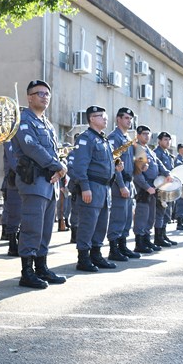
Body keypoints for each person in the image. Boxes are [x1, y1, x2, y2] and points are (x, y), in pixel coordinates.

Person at [12, 80, 68, 288]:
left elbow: (56, 151)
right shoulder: (23, 120)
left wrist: (62, 168)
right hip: (34, 180)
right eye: (40, 93)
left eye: (47, 94)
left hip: (49, 182)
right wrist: (58, 166)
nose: (45, 97)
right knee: (32, 227)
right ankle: (27, 272)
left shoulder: (47, 123)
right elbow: (32, 148)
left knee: (45, 229)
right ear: (29, 97)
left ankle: (41, 267)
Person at [68, 106, 119, 272]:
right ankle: (83, 258)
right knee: (88, 223)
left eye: (105, 115)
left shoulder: (103, 140)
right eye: (101, 116)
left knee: (101, 224)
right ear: (91, 119)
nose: (105, 118)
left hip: (104, 188)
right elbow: (79, 165)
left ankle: (96, 255)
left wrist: (115, 167)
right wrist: (84, 187)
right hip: (92, 186)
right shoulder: (86, 138)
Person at [106, 107, 140, 261]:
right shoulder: (115, 137)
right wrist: (121, 185)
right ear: (118, 119)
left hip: (128, 181)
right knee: (118, 216)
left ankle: (123, 246)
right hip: (119, 182)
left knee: (126, 217)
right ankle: (114, 249)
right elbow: (115, 162)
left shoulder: (126, 138)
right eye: (126, 118)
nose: (129, 121)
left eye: (130, 118)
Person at [132, 126, 170, 252]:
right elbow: (137, 173)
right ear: (138, 135)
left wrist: (167, 174)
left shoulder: (149, 150)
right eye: (144, 134)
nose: (147, 136)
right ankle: (139, 243)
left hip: (153, 187)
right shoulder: (138, 149)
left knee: (150, 216)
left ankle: (147, 240)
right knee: (142, 216)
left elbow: (159, 164)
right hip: (144, 188)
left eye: (148, 134)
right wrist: (147, 187)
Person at [153, 131, 178, 246]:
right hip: (161, 186)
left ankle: (163, 234)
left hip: (169, 187)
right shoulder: (156, 153)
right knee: (160, 212)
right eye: (165, 140)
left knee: (167, 212)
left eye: (169, 140)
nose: (168, 142)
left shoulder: (168, 154)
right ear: (159, 141)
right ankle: (158, 237)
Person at [0, 140, 22, 257]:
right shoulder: (10, 139)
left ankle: (19, 242)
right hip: (13, 182)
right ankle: (12, 245)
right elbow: (13, 162)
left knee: (22, 215)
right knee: (13, 215)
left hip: (22, 181)